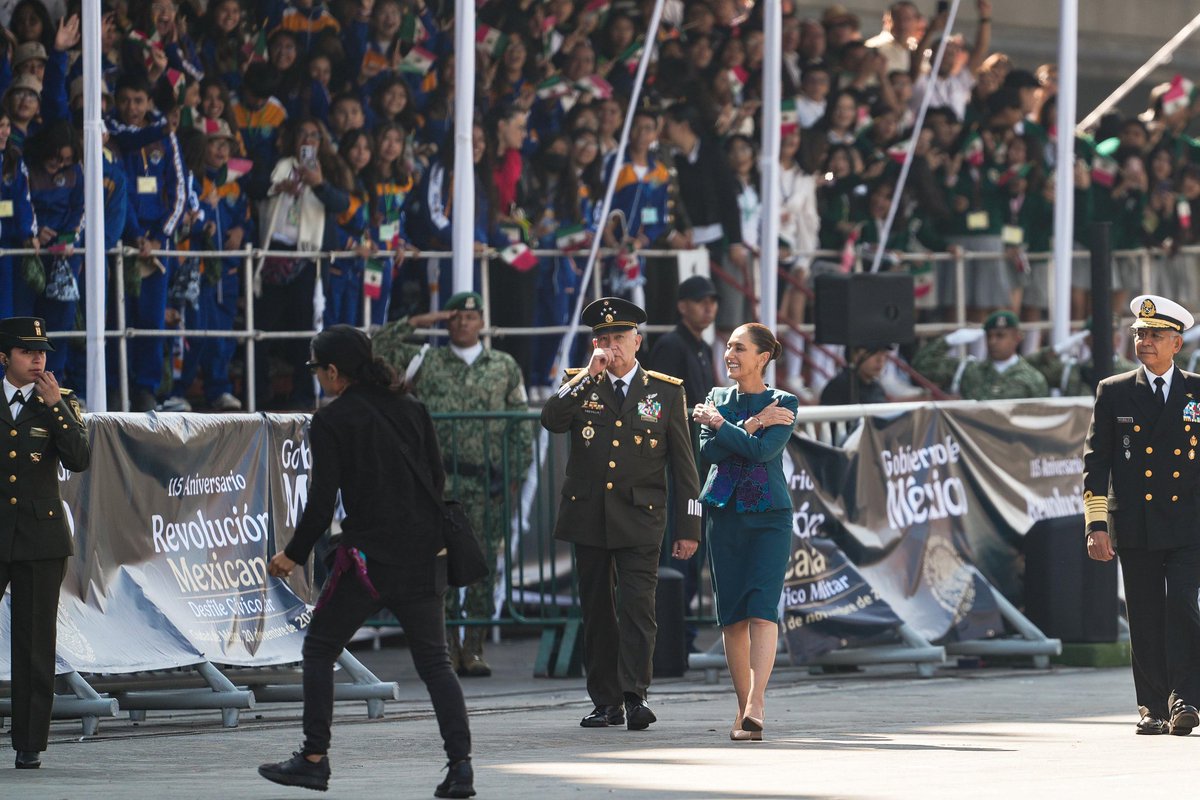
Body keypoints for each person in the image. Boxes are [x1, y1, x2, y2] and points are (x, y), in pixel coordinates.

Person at [257, 325, 474, 798]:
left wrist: (291, 557)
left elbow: (320, 505)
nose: (316, 377)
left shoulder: (333, 421)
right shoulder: (412, 408)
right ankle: (460, 768)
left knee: (319, 649)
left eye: (316, 369)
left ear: (333, 372)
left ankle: (314, 758)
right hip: (424, 556)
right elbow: (436, 479)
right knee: (436, 664)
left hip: (370, 562)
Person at [540, 297, 702, 730]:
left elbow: (685, 469)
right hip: (588, 516)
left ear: (638, 340)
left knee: (637, 609)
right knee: (597, 611)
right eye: (603, 338)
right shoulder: (580, 383)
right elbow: (551, 419)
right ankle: (605, 701)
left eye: (619, 338)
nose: (611, 346)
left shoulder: (665, 391)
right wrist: (586, 376)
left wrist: (689, 526)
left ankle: (635, 695)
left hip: (640, 517)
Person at [372, 291, 532, 677]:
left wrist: (513, 475)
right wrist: (419, 320)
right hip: (437, 482)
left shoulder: (503, 365)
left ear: (482, 321)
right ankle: (443, 646)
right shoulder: (429, 360)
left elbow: (520, 425)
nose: (463, 322)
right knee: (436, 566)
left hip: (485, 481)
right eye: (456, 316)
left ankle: (474, 646)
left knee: (480, 566)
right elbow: (377, 347)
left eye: (470, 316)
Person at [1083, 294, 1200, 738]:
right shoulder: (1113, 391)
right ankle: (1152, 705)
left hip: (1189, 522)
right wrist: (1096, 524)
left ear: (1177, 343)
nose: (1145, 341)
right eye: (1139, 333)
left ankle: (1186, 698)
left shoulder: (1197, 390)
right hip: (1136, 521)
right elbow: (1097, 462)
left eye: (1154, 335)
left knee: (1183, 604)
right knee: (1146, 614)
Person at [691, 323, 798, 741]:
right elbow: (710, 452)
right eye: (728, 347)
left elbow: (761, 452)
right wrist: (751, 422)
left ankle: (757, 703)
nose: (729, 355)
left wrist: (727, 426)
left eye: (739, 348)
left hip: (769, 516)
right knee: (732, 616)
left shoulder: (784, 400)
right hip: (725, 514)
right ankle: (743, 713)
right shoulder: (716, 400)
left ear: (762, 357)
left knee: (762, 609)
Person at [0, 316, 90, 769]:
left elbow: (79, 458)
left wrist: (56, 407)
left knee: (34, 644)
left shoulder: (61, 400)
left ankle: (29, 744)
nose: (38, 359)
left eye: (42, 352)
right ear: (4, 356)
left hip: (40, 536)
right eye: (26, 352)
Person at [647, 274, 719, 652]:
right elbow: (657, 405)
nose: (707, 306)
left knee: (693, 551)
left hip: (698, 465)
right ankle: (672, 637)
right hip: (678, 466)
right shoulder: (672, 345)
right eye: (699, 300)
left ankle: (683, 632)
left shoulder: (703, 347)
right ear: (682, 306)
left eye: (712, 300)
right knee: (680, 547)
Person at [820, 346, 891, 405]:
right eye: (872, 353)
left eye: (884, 353)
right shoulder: (839, 386)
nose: (880, 359)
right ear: (854, 355)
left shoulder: (877, 388)